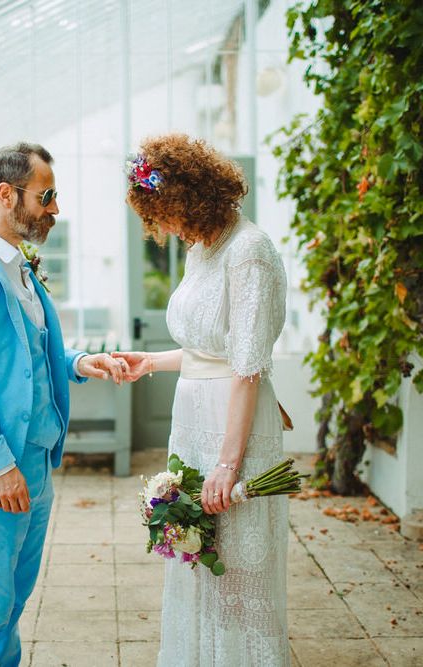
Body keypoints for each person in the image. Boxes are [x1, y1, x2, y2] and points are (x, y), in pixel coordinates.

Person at [0, 142, 128, 666]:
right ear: (5, 194)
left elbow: (32, 353)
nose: (55, 208)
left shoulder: (19, 265)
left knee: (13, 602)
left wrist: (83, 363)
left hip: (36, 462)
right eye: (47, 195)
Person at [115, 134, 290, 666]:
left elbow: (245, 365)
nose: (162, 228)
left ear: (191, 199)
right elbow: (204, 348)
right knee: (199, 561)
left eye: (164, 213)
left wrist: (227, 465)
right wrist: (151, 361)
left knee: (239, 570)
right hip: (192, 421)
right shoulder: (201, 250)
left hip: (233, 427)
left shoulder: (249, 251)